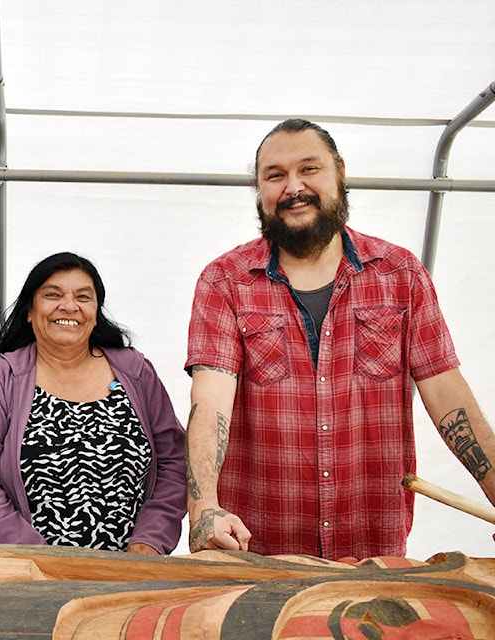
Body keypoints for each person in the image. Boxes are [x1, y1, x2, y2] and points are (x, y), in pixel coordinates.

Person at [184, 118, 495, 560]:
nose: (293, 187)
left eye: (309, 169)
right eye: (275, 176)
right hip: (256, 551)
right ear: (258, 190)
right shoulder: (224, 282)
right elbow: (210, 401)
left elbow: (448, 396)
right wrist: (204, 508)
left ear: (340, 173)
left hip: (373, 550)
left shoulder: (401, 274)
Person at [0, 252, 186, 555]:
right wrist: (37, 556)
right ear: (30, 310)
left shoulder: (135, 371)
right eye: (52, 295)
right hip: (28, 575)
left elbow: (174, 463)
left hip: (129, 573)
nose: (69, 306)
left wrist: (150, 542)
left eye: (84, 296)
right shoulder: (4, 376)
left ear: (95, 311)